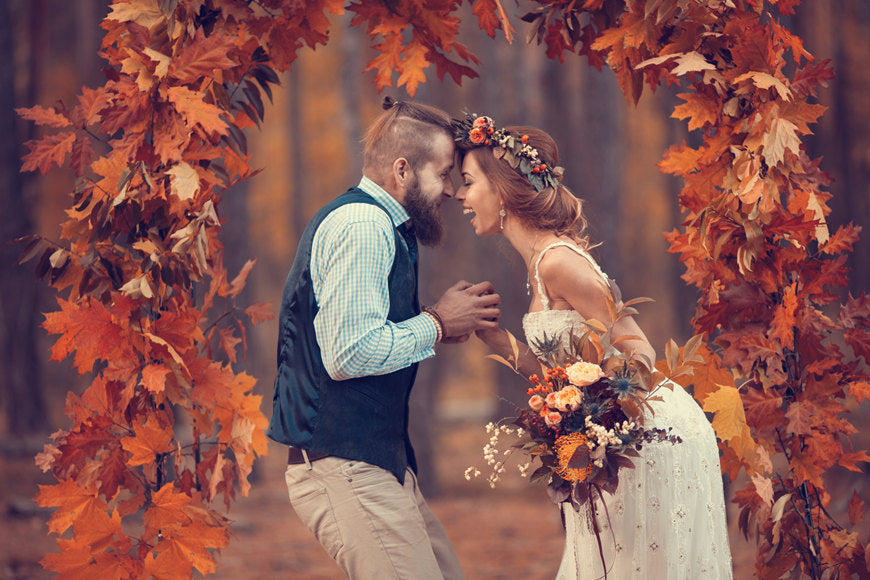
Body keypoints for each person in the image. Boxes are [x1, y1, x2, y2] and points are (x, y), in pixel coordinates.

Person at [453, 113, 732, 578]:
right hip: (615, 438)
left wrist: (595, 425)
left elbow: (637, 352)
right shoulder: (540, 264)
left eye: (467, 182)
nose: (460, 196)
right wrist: (500, 340)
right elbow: (568, 374)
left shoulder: (559, 262)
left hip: (651, 434)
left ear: (501, 189)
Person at [267, 99, 501, 579]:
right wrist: (435, 322)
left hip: (375, 465)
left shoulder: (381, 226)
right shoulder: (364, 225)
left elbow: (360, 336)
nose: (451, 191)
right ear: (403, 171)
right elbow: (348, 354)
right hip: (345, 468)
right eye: (442, 173)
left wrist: (436, 325)